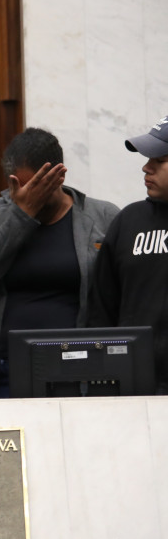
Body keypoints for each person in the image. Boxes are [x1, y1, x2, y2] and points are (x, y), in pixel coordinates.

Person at [0, 127, 119, 397]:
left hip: (81, 367)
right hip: (8, 370)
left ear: (59, 175)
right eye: (18, 186)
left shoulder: (102, 216)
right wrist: (21, 215)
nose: (26, 193)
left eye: (35, 185)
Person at [87, 114, 168, 394]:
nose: (146, 168)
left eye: (160, 161)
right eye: (147, 160)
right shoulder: (128, 221)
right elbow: (101, 310)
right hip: (133, 387)